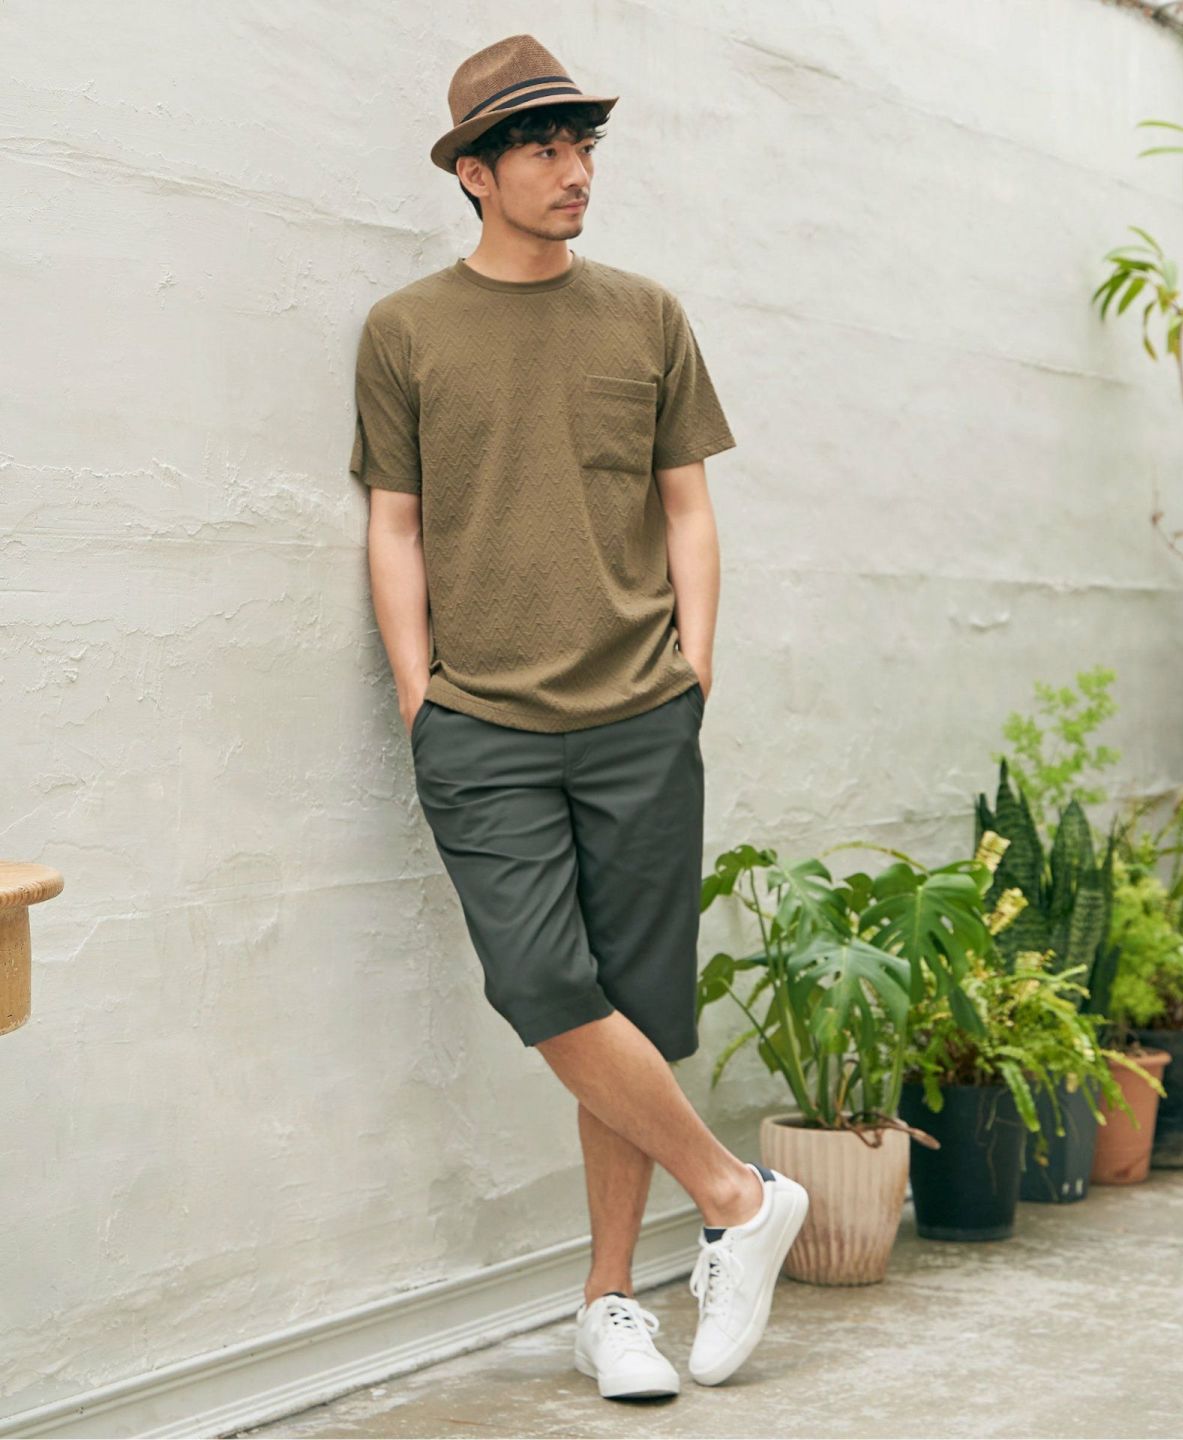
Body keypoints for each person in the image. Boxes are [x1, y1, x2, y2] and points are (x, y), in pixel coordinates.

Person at [349, 32, 808, 1400]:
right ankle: (737, 1199)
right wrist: (420, 695)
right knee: (544, 985)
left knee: (636, 1009)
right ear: (475, 174)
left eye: (584, 145)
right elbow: (394, 524)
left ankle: (612, 1306)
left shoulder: (646, 316)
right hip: (480, 723)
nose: (575, 170)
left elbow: (687, 509)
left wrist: (694, 668)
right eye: (544, 149)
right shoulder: (406, 332)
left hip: (641, 713)